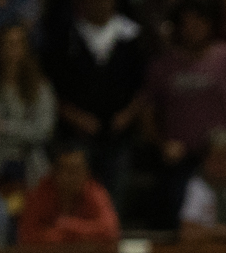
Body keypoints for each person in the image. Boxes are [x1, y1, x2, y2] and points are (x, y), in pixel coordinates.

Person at [142, 0, 226, 226]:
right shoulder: (163, 66)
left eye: (198, 24)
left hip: (221, 154)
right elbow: (147, 112)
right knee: (179, 213)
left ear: (209, 25)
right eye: (187, 25)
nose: (193, 30)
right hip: (181, 157)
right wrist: (162, 144)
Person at [41, 0, 149, 213]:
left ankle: (109, 238)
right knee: (75, 196)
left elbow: (145, 85)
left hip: (119, 134)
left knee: (113, 199)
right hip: (77, 134)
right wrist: (74, 116)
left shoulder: (132, 35)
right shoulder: (66, 36)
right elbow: (51, 87)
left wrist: (127, 115)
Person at [0, 22, 57, 189]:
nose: (12, 49)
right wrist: (23, 133)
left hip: (31, 167)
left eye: (18, 43)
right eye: (8, 43)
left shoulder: (40, 86)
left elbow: (43, 130)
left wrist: (6, 128)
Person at [16, 141, 120, 245]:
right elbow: (26, 235)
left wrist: (69, 226)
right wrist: (64, 235)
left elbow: (110, 230)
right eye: (66, 170)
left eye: (76, 170)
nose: (71, 177)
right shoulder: (41, 194)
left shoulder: (94, 192)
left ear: (87, 172)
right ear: (54, 172)